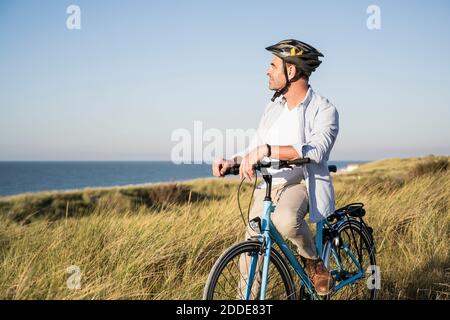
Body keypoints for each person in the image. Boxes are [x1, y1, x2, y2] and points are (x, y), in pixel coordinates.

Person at [212, 39, 339, 296]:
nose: (266, 70)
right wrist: (234, 161)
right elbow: (256, 147)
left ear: (290, 71)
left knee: (285, 220)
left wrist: (268, 150)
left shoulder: (323, 109)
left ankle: (314, 263)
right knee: (249, 257)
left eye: (272, 65)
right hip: (269, 187)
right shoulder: (274, 108)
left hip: (302, 183)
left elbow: (316, 150)